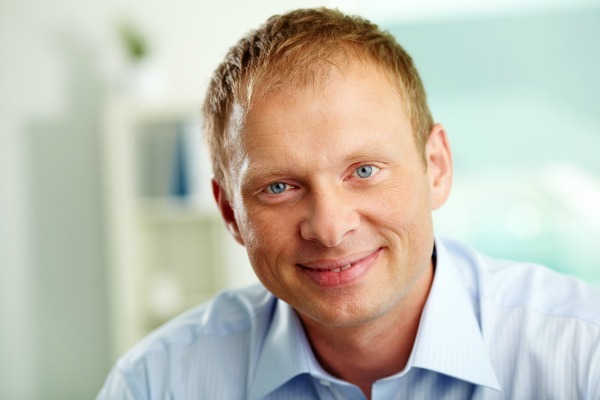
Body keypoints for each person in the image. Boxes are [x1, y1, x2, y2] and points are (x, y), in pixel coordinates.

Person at [98, 8, 600, 399]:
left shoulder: (582, 355)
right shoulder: (155, 384)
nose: (331, 229)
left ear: (437, 168)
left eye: (363, 171)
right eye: (279, 187)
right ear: (231, 213)